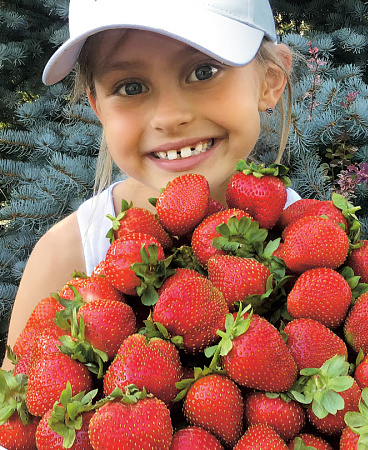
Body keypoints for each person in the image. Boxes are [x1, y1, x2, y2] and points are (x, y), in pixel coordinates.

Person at [2, 0, 300, 370]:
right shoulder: (67, 255)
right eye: (130, 87)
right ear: (98, 108)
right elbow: (14, 411)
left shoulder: (310, 234)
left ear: (270, 81)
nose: (170, 118)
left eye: (204, 71)